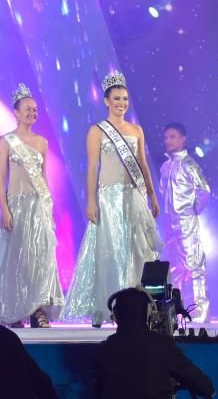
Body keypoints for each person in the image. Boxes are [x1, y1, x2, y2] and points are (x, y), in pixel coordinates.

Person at [62, 72, 162, 327]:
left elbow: (143, 165)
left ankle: (138, 308)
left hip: (133, 197)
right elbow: (93, 168)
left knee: (138, 249)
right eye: (116, 98)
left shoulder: (135, 130)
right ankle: (106, 306)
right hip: (108, 198)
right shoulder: (97, 131)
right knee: (110, 252)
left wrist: (151, 195)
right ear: (106, 100)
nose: (121, 103)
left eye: (125, 99)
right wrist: (91, 201)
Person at [0, 83, 63, 328]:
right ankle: (14, 310)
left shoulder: (42, 143)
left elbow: (43, 177)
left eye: (35, 110)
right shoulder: (6, 141)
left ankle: (38, 310)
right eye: (27, 109)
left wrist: (48, 208)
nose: (32, 113)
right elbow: (1, 180)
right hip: (16, 205)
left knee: (40, 257)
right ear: (16, 112)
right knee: (15, 259)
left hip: (38, 206)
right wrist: (4, 209)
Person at [95, 288, 214, 399]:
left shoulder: (103, 350)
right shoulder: (162, 346)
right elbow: (204, 386)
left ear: (115, 316)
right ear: (148, 313)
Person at [159, 122, 211, 322]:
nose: (168, 141)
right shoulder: (166, 166)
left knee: (195, 264)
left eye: (172, 137)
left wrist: (193, 211)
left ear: (183, 139)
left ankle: (200, 308)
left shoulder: (189, 164)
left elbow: (204, 190)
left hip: (186, 223)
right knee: (173, 268)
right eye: (166, 138)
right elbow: (164, 192)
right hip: (169, 225)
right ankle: (175, 308)